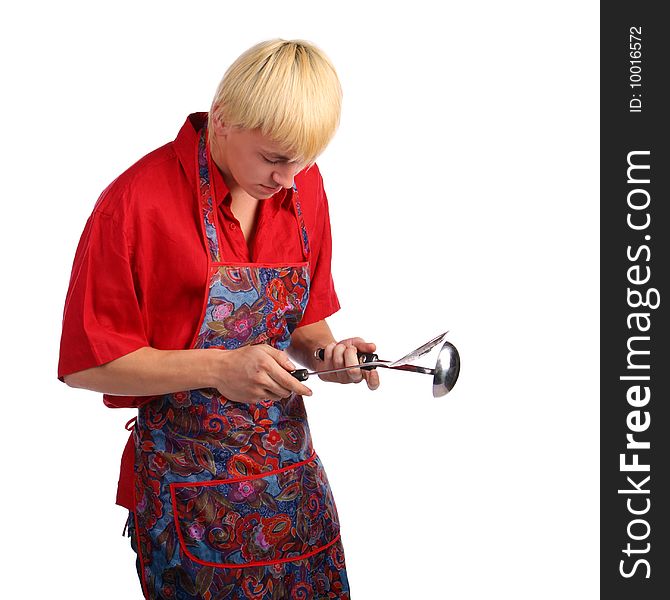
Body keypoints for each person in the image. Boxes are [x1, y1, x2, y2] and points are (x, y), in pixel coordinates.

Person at [58, 39, 378, 600]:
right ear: (223, 118)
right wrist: (221, 368)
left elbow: (304, 323)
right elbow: (89, 364)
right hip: (190, 494)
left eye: (302, 161)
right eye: (275, 159)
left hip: (289, 483)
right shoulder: (135, 203)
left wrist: (331, 357)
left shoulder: (302, 187)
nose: (286, 178)